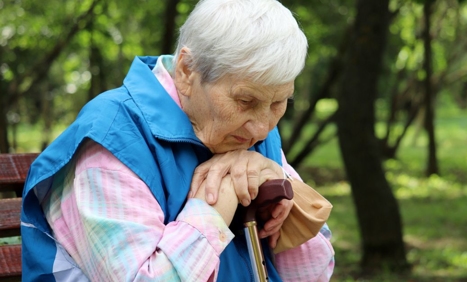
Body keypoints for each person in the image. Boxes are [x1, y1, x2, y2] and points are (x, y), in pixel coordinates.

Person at [21, 0, 335, 281]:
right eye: (245, 101)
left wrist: (283, 192)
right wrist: (219, 198)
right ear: (187, 71)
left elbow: (312, 274)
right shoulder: (110, 140)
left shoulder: (248, 132)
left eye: (280, 104)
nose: (262, 129)